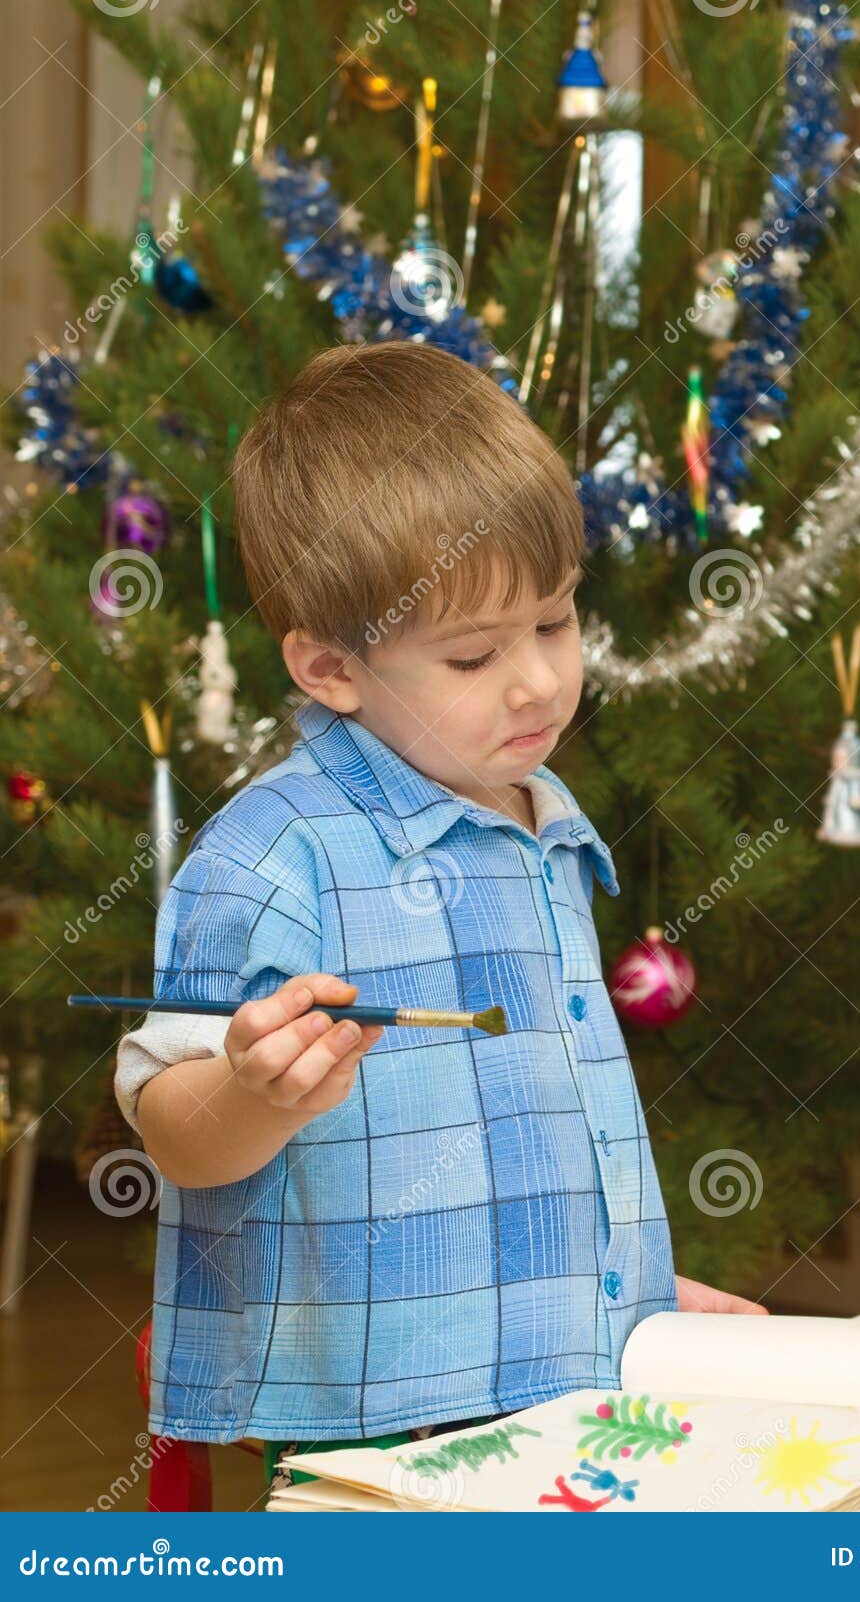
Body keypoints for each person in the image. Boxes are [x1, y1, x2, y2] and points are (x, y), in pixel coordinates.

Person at [115, 341, 765, 1487]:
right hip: (383, 1431)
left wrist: (637, 1307)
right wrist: (253, 1090)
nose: (537, 683)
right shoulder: (274, 856)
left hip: (573, 1395)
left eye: (555, 624)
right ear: (329, 669)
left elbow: (541, 1142)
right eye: (472, 655)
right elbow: (171, 1126)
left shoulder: (542, 821)